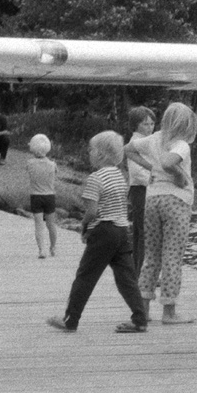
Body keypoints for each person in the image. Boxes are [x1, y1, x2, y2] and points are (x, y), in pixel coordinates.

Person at [48, 131, 148, 334]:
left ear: (101, 155)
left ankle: (70, 319)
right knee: (126, 277)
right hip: (122, 231)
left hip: (104, 231)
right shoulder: (121, 176)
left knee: (86, 276)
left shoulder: (95, 178)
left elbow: (92, 211)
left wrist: (84, 226)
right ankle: (140, 318)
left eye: (91, 150)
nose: (89, 153)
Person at [125, 102, 197, 325]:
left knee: (152, 257)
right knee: (172, 256)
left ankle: (143, 310)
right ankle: (169, 312)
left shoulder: (154, 138)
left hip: (152, 200)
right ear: (186, 125)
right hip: (176, 202)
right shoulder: (181, 144)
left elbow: (127, 149)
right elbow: (168, 162)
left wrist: (150, 168)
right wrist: (180, 176)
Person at [125, 106, 155, 273]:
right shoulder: (135, 143)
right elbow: (137, 173)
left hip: (143, 190)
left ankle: (138, 270)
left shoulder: (147, 142)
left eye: (152, 124)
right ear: (136, 125)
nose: (149, 127)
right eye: (145, 124)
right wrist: (156, 180)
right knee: (144, 232)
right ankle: (143, 271)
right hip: (141, 190)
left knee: (141, 232)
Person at [26, 134, 59, 258]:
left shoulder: (30, 163)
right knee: (51, 224)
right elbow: (56, 173)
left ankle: (41, 250)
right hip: (50, 196)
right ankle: (53, 247)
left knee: (39, 225)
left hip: (36, 196)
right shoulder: (52, 165)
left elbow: (29, 171)